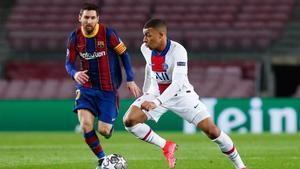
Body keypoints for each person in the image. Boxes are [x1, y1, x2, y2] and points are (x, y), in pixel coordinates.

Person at [123, 18, 248, 169]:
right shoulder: (145, 48)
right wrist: (147, 91)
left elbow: (177, 83)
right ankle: (166, 146)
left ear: (161, 35)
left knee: (212, 131)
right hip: (156, 93)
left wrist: (155, 103)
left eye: (148, 35)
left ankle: (241, 166)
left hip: (181, 95)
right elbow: (150, 68)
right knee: (129, 121)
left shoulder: (178, 51)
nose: (144, 39)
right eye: (144, 35)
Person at [65, 3, 141, 169]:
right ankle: (102, 161)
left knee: (104, 131)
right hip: (86, 88)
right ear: (80, 18)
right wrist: (75, 74)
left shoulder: (108, 33)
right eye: (86, 17)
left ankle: (109, 124)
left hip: (108, 90)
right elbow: (68, 64)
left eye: (93, 17)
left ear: (98, 19)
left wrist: (130, 78)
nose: (89, 21)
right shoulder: (74, 38)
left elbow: (124, 54)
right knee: (86, 126)